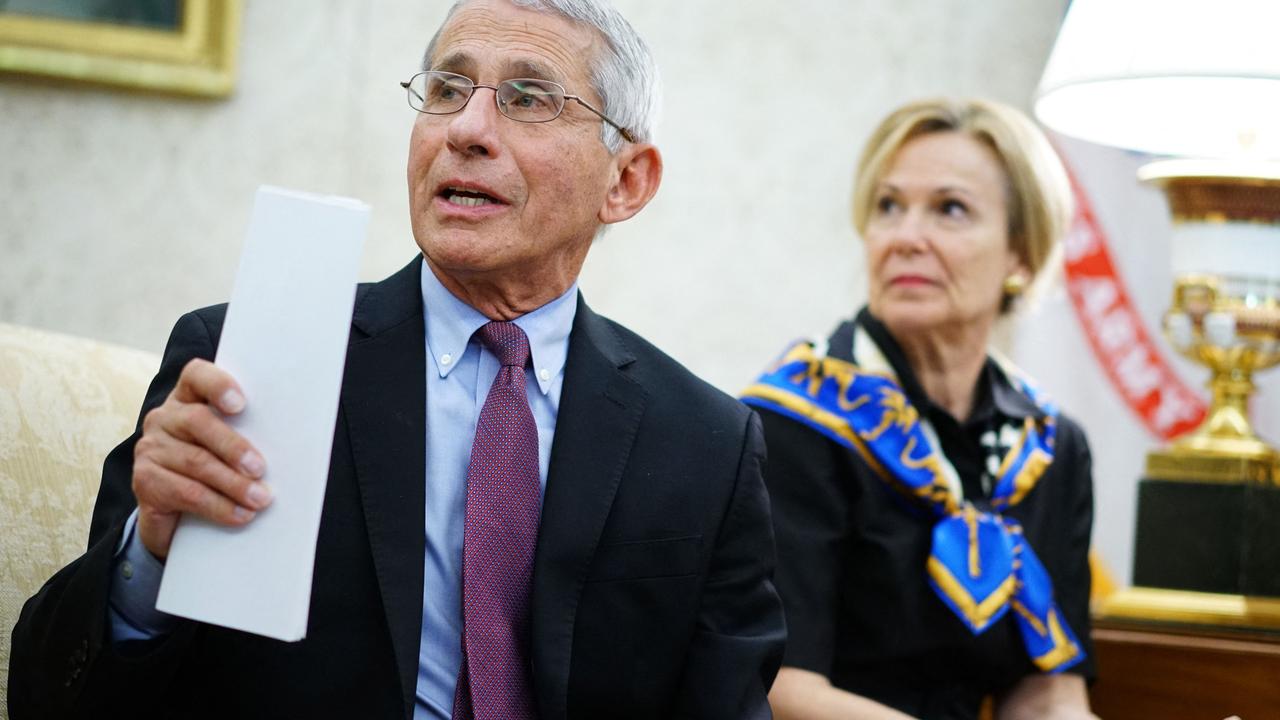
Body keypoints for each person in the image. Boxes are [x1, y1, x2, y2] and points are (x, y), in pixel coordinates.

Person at [7, 1, 785, 718]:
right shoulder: (250, 361)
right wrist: (148, 558)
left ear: (626, 180)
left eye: (525, 98)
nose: (467, 129)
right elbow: (52, 698)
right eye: (447, 88)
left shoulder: (705, 444)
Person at [743, 98, 1097, 720]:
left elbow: (1047, 691)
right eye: (888, 207)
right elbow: (780, 689)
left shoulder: (1051, 446)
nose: (906, 238)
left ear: (1021, 253)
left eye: (950, 209)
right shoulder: (790, 422)